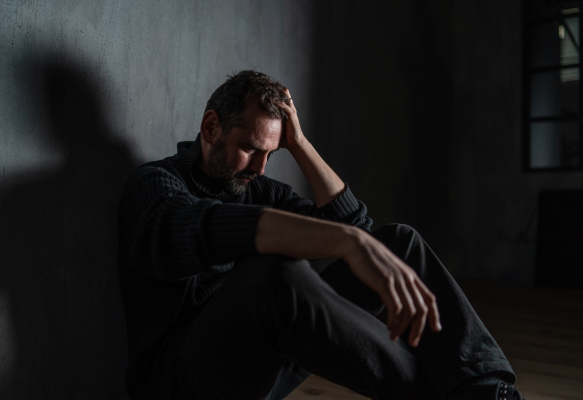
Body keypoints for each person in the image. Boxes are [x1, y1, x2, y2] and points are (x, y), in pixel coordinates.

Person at [117, 70, 523, 400]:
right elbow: (199, 229)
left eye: (270, 154)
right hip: (182, 382)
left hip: (266, 366)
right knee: (275, 276)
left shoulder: (258, 190)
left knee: (398, 242)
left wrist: (300, 144)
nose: (260, 167)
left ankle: (485, 389)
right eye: (251, 148)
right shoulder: (154, 184)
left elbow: (357, 229)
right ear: (211, 126)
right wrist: (346, 242)